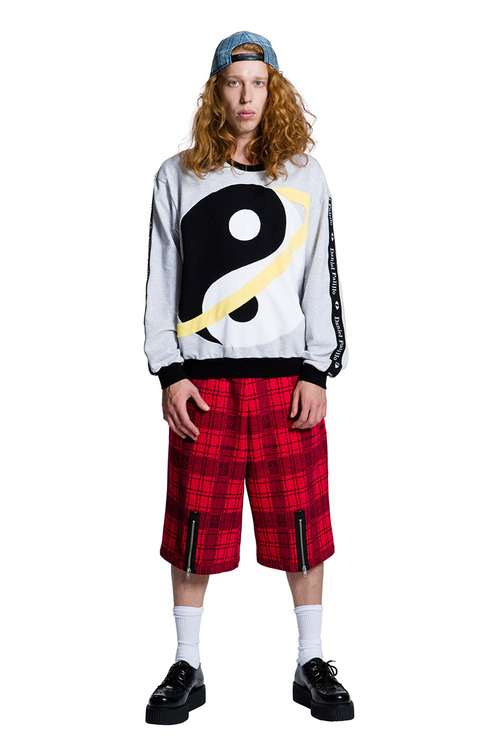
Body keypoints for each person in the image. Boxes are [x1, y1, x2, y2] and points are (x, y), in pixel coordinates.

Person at [143, 30, 354, 724]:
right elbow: (162, 280)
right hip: (203, 384)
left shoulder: (304, 175)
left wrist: (318, 369)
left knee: (301, 525)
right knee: (194, 527)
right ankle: (187, 663)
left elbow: (322, 278)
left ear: (274, 91)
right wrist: (169, 371)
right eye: (234, 83)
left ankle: (311, 661)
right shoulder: (178, 176)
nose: (246, 97)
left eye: (258, 84)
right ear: (216, 91)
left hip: (286, 384)